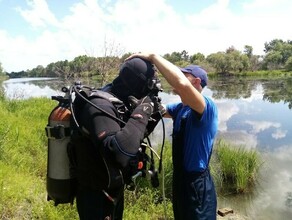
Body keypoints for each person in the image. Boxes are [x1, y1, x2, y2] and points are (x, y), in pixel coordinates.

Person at [126, 53, 218, 220]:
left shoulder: (207, 107)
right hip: (180, 180)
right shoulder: (181, 107)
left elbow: (181, 84)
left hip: (197, 183)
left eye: (185, 74)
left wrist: (153, 57)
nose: (180, 77)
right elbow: (157, 109)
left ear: (196, 82)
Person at [72, 57, 163, 220]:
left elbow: (134, 136)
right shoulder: (100, 105)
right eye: (147, 85)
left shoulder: (120, 102)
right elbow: (118, 153)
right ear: (136, 81)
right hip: (96, 194)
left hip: (112, 188)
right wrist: (144, 109)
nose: (147, 92)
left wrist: (153, 113)